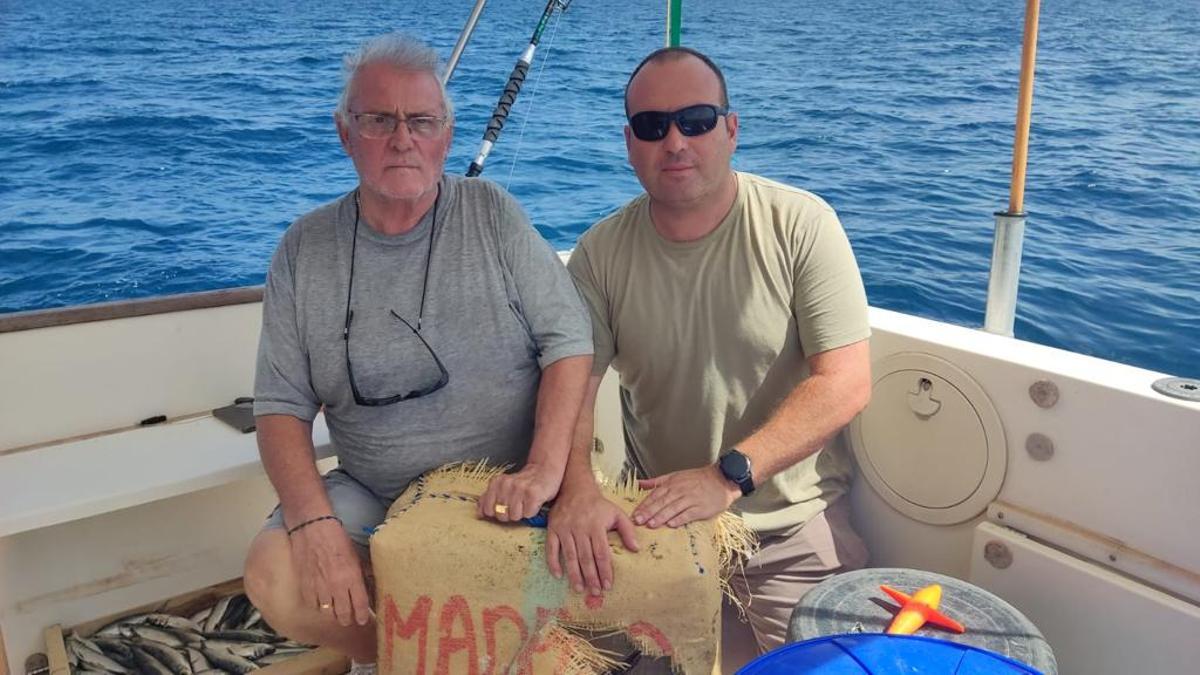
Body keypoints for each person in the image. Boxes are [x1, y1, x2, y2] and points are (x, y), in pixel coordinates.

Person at [242, 33, 593, 671]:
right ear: (345, 133)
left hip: (500, 491)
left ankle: (451, 653)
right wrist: (313, 524)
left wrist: (544, 473)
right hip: (374, 490)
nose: (402, 138)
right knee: (273, 573)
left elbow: (569, 344)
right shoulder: (303, 248)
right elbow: (280, 406)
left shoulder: (492, 215)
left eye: (422, 120)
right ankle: (420, 656)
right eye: (379, 120)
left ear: (446, 135)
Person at [549, 46, 872, 654]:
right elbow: (572, 386)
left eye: (695, 120)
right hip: (653, 526)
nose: (674, 141)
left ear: (731, 129)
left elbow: (845, 383)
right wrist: (578, 491)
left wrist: (727, 478)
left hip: (788, 530)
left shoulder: (801, 225)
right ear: (629, 143)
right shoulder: (598, 254)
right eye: (652, 126)